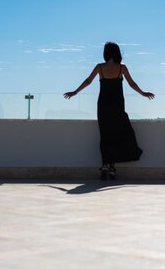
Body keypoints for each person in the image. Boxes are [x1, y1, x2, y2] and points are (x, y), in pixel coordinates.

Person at [64, 42, 154, 180]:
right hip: (117, 105)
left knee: (105, 135)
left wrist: (75, 92)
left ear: (106, 53)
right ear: (117, 53)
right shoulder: (121, 68)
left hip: (103, 105)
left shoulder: (100, 67)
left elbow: (88, 81)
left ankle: (106, 164)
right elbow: (131, 83)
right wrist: (143, 93)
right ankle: (111, 167)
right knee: (119, 134)